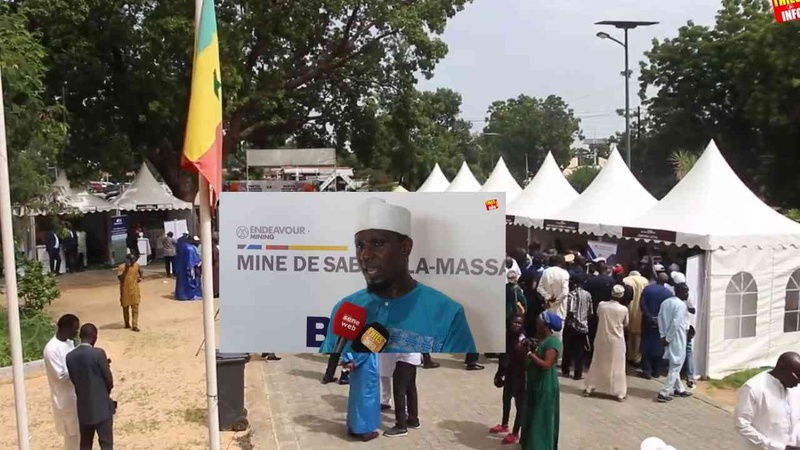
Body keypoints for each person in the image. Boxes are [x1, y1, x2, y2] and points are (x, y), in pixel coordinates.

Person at [320, 198, 475, 353]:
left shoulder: (447, 313)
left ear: (405, 247)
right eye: (360, 246)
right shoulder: (346, 310)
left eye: (377, 243)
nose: (365, 255)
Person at [734, 352, 800, 450]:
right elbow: (742, 425)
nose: (798, 382)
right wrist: (777, 447)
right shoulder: (754, 388)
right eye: (797, 377)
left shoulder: (795, 388)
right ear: (782, 369)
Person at [66, 324, 115, 450]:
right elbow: (109, 380)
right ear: (94, 337)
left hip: (83, 408)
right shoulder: (98, 353)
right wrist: (104, 393)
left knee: (85, 444)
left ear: (80, 336)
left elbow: (74, 379)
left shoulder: (70, 356)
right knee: (106, 444)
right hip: (102, 407)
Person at [519, 311, 562, 450]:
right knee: (531, 414)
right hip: (534, 384)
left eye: (539, 322)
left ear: (545, 325)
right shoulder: (541, 339)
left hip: (545, 385)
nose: (536, 324)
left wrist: (530, 355)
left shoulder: (553, 342)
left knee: (541, 417)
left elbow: (546, 365)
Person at [583, 285, 629, 402]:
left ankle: (590, 387)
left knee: (598, 361)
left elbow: (598, 315)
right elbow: (626, 323)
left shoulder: (602, 305)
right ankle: (619, 392)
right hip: (617, 340)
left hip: (601, 338)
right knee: (617, 365)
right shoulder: (623, 309)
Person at [44, 314, 81, 450]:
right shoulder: (51, 349)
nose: (77, 332)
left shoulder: (68, 344)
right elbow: (60, 375)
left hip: (75, 397)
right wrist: (80, 368)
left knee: (79, 436)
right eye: (75, 329)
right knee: (71, 439)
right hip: (64, 400)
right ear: (67, 327)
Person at [490, 315, 527, 445]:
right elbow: (503, 356)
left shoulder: (522, 339)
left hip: (520, 375)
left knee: (519, 406)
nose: (516, 325)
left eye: (519, 323)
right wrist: (500, 373)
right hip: (509, 372)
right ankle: (504, 425)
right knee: (506, 399)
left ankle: (516, 433)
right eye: (514, 322)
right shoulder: (507, 336)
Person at [656, 283, 692, 403]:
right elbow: (676, 323)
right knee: (676, 364)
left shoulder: (665, 302)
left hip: (667, 336)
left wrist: (663, 335)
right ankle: (664, 392)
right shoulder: (681, 305)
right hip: (677, 337)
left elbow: (660, 318)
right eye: (686, 292)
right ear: (680, 292)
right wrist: (668, 338)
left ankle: (679, 389)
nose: (687, 294)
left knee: (674, 363)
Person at [639, 273, 674, 379]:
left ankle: (646, 370)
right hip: (662, 323)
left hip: (647, 321)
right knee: (659, 346)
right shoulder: (669, 293)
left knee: (646, 344)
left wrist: (649, 317)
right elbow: (670, 309)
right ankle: (656, 371)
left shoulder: (648, 289)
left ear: (656, 279)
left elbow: (642, 304)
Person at [342, 352, 380, 442]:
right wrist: (356, 362)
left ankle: (353, 426)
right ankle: (365, 430)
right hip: (367, 365)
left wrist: (348, 360)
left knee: (355, 395)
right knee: (367, 397)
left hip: (354, 365)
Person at [562, 274, 592, 380]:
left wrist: (567, 321)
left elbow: (570, 310)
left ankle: (565, 369)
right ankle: (577, 374)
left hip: (572, 325)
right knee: (579, 351)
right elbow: (590, 311)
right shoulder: (588, 294)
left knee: (568, 348)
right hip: (583, 326)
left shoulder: (572, 294)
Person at [384, 353, 422, 437]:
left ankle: (401, 426)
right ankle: (413, 420)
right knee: (411, 390)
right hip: (412, 359)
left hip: (404, 360)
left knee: (399, 393)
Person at [623, 270, 649, 366]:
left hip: (629, 309)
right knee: (638, 336)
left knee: (629, 334)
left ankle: (629, 356)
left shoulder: (626, 280)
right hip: (640, 310)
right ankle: (637, 358)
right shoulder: (645, 281)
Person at [536, 254, 570, 321]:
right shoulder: (564, 273)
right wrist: (553, 303)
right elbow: (565, 293)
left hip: (547, 309)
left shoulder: (546, 271)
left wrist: (548, 297)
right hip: (559, 311)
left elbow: (539, 288)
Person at [116, 254, 142, 332]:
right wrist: (126, 269)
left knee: (135, 308)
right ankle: (126, 323)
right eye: (132, 260)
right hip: (125, 290)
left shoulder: (137, 265)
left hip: (135, 290)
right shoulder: (121, 267)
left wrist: (140, 278)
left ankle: (135, 325)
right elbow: (120, 278)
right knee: (125, 307)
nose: (133, 262)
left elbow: (140, 271)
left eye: (134, 260)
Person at [175, 235, 202, 301]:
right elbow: (193, 262)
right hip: (191, 268)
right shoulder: (191, 248)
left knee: (182, 281)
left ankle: (182, 295)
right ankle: (192, 295)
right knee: (192, 281)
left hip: (181, 268)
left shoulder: (182, 246)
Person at [212, 232, 220, 298]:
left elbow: (214, 258)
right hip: (219, 264)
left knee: (216, 279)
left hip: (216, 265)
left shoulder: (214, 248)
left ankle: (216, 292)